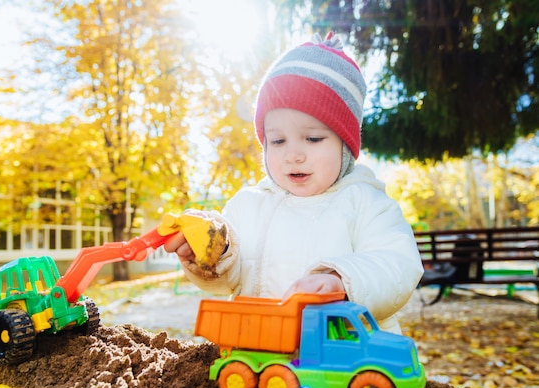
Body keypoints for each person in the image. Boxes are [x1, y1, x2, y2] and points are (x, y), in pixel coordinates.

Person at [164, 32, 423, 334]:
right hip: (260, 346)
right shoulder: (249, 205)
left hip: (345, 352)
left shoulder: (366, 203)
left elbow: (396, 265)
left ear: (346, 145)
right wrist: (210, 255)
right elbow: (228, 279)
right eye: (277, 140)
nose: (293, 155)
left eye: (313, 138)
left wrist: (344, 280)